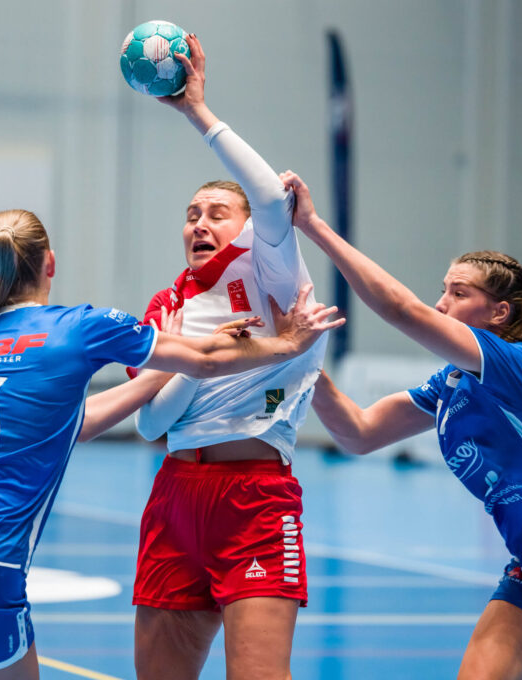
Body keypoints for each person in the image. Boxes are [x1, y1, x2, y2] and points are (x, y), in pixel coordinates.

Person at [0, 209, 340, 679]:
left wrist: (158, 375)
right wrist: (289, 343)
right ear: (51, 263)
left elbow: (76, 424)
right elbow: (207, 358)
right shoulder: (79, 326)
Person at [279, 171, 522, 680]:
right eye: (442, 291)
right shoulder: (452, 385)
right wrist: (304, 359)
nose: (441, 303)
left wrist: (313, 226)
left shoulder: (519, 368)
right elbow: (358, 433)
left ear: (498, 313)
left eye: (458, 293)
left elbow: (401, 310)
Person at [129, 35, 332, 680]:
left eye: (216, 213)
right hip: (176, 494)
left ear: (245, 230)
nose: (199, 223)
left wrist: (195, 110)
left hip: (256, 500)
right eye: (192, 214)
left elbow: (272, 197)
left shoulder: (268, 269)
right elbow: (150, 424)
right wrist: (206, 358)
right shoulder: (168, 306)